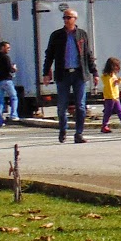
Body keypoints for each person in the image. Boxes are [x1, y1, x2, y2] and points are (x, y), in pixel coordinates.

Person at [42, 8, 97, 144]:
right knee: (62, 106)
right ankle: (63, 129)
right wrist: (46, 72)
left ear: (75, 19)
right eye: (64, 18)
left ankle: (79, 133)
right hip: (63, 74)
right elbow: (49, 55)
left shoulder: (82, 35)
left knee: (80, 106)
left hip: (79, 74)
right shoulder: (56, 35)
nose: (66, 20)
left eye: (69, 17)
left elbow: (88, 55)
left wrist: (94, 72)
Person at [98, 57, 121, 132]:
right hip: (110, 97)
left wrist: (118, 81)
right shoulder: (107, 76)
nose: (117, 68)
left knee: (120, 111)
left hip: (115, 97)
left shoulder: (112, 75)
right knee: (108, 112)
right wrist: (113, 97)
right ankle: (104, 125)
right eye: (116, 66)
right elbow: (110, 87)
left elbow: (114, 84)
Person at [0, 41, 17, 126]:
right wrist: (14, 68)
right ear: (2, 47)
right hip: (6, 80)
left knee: (0, 101)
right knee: (13, 97)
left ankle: (0, 121)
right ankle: (13, 115)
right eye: (7, 47)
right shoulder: (6, 57)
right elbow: (9, 69)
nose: (9, 49)